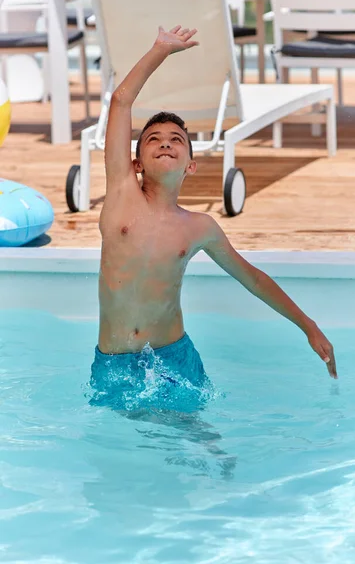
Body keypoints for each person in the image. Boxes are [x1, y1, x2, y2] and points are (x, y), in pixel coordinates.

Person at [90, 24, 337, 411]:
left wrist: (308, 325)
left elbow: (252, 277)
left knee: (199, 441)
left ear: (190, 165)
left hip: (173, 356)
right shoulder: (121, 194)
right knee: (126, 454)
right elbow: (121, 100)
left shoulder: (199, 227)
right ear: (136, 162)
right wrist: (160, 49)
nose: (166, 142)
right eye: (154, 139)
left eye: (177, 140)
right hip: (115, 360)